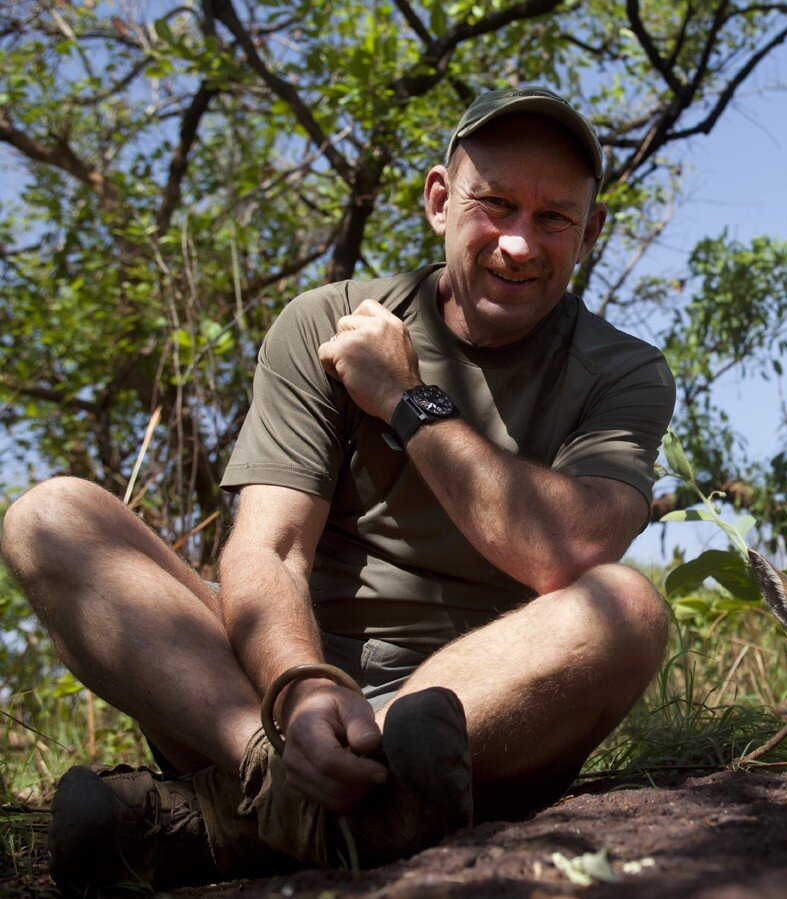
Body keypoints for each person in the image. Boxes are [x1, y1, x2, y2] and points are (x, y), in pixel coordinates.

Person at [0, 87, 676, 891]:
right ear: (438, 200)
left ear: (589, 233)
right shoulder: (324, 322)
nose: (519, 243)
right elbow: (269, 546)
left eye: (554, 218)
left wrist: (405, 400)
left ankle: (224, 821)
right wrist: (298, 691)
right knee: (50, 515)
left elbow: (567, 550)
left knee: (628, 608)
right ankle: (284, 783)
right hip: (269, 696)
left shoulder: (626, 370)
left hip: (470, 720)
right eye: (494, 204)